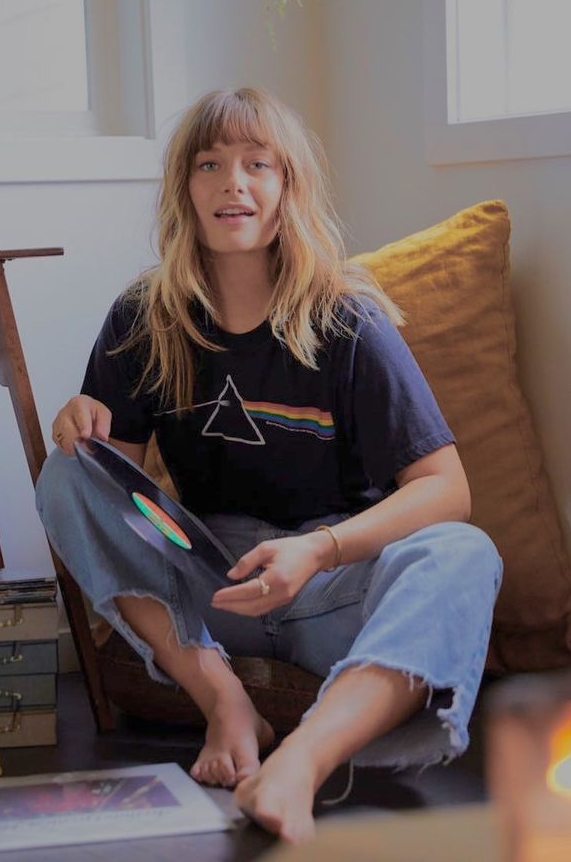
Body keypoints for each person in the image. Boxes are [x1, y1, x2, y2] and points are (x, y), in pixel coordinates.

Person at [35, 87, 502, 845]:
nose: (234, 183)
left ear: (289, 188)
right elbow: (113, 497)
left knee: (465, 552)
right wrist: (79, 430)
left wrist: (319, 550)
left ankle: (302, 765)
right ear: (185, 189)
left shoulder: (349, 321)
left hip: (334, 584)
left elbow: (448, 489)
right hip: (211, 585)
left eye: (259, 164)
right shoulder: (142, 316)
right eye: (210, 163)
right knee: (64, 474)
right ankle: (224, 700)